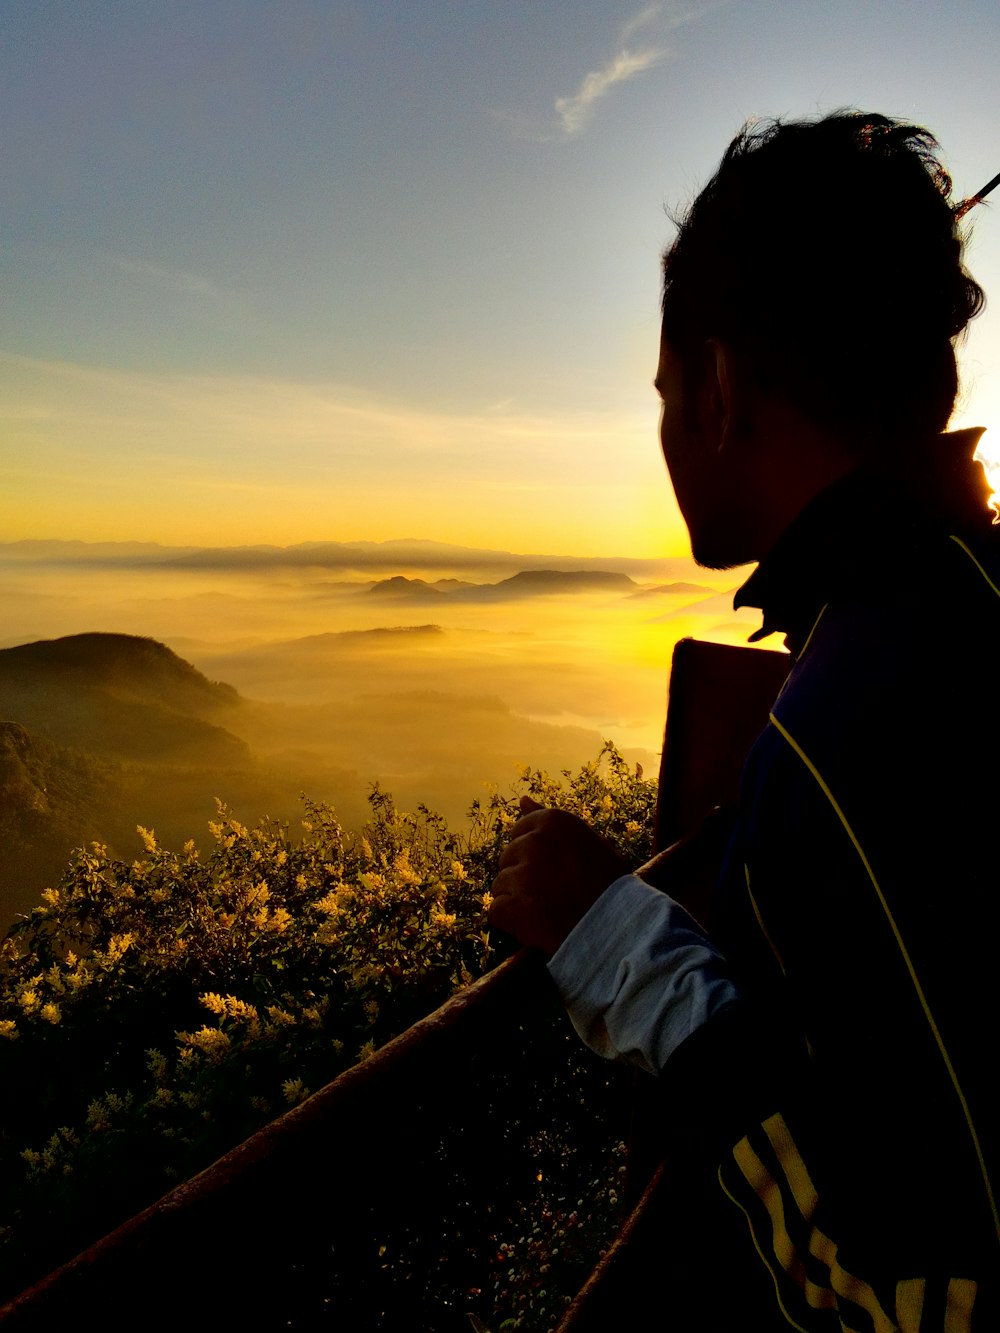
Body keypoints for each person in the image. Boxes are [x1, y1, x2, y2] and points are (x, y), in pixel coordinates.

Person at [488, 111, 1000, 1329]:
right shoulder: (964, 612)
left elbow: (909, 1295)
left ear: (717, 389)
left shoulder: (855, 727)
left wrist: (626, 955)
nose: (665, 433)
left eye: (665, 394)